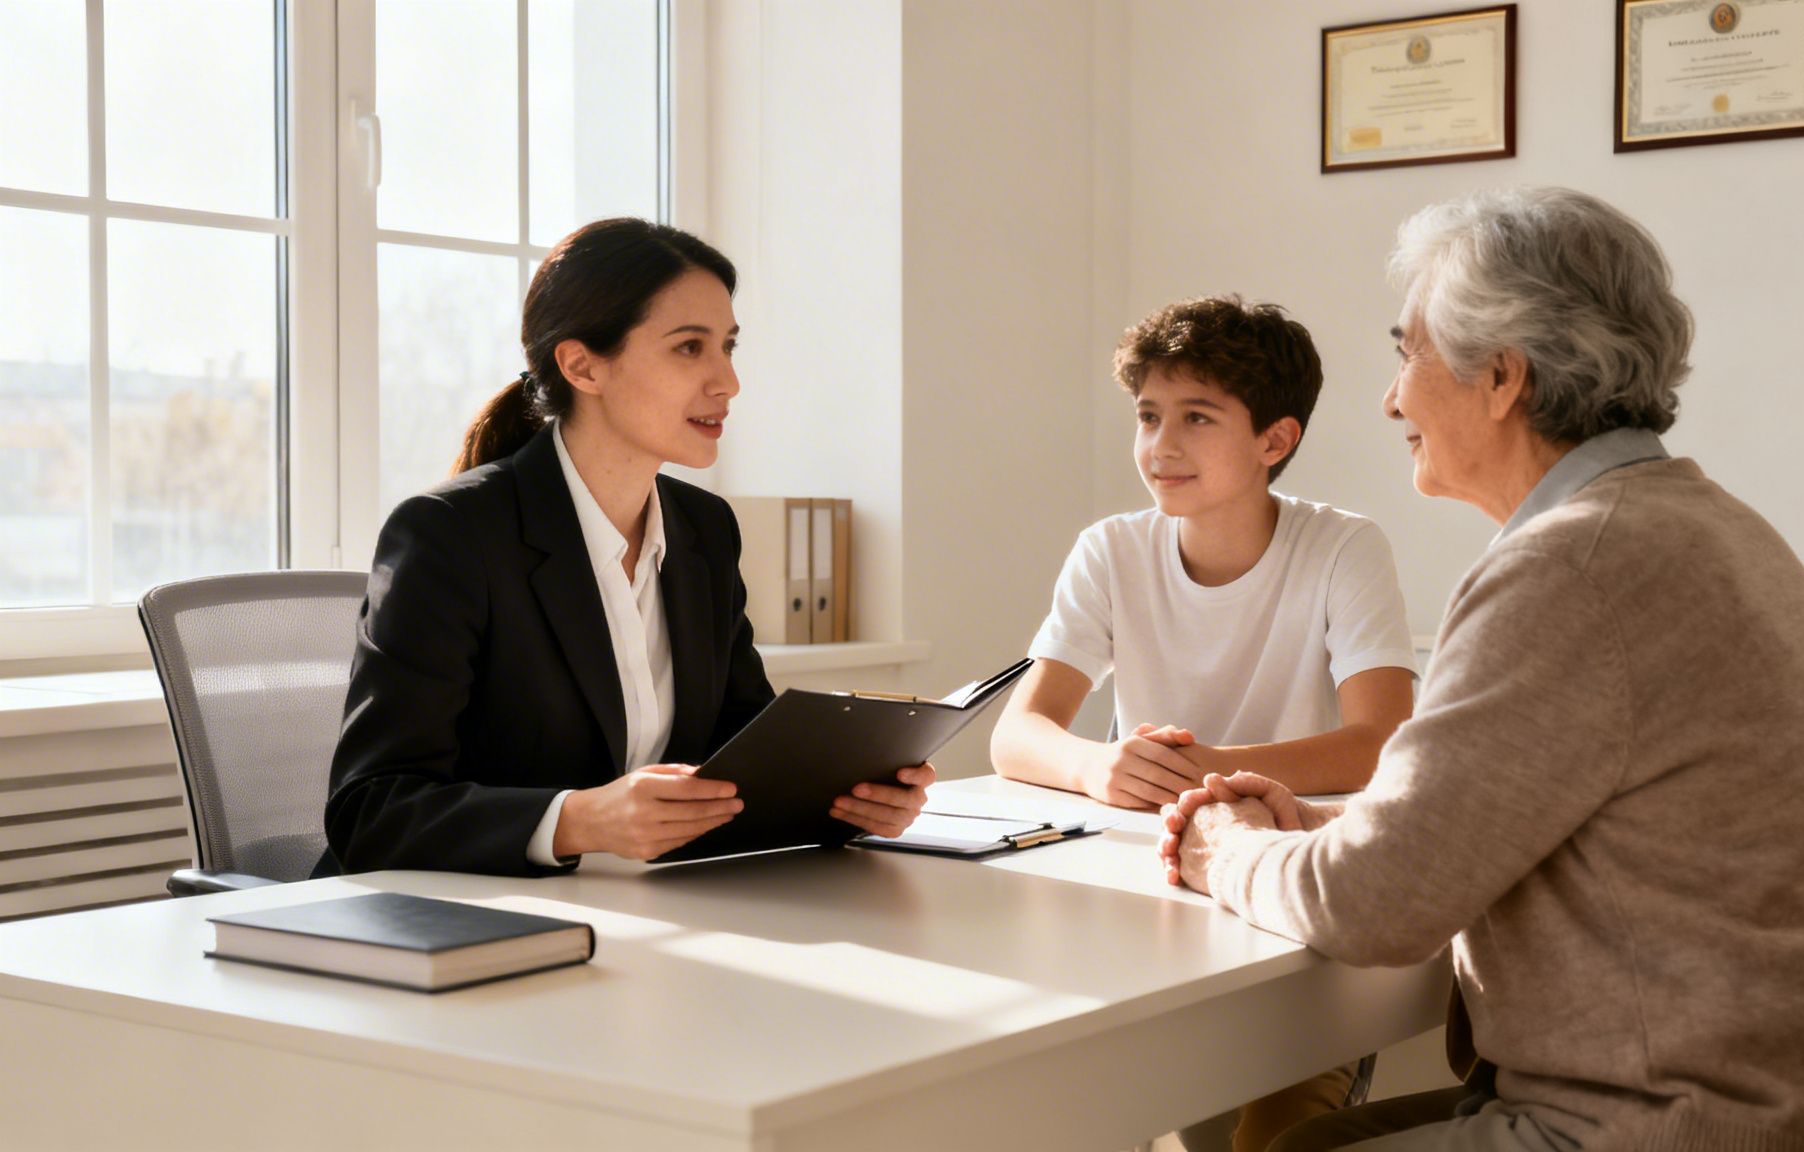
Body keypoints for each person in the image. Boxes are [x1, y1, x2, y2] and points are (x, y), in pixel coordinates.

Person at [1161, 186, 1804, 1152]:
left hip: (1693, 1124)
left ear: (1500, 377)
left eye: (1406, 351)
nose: (1391, 394)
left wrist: (1222, 846)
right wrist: (1331, 826)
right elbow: (1564, 822)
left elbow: (1368, 908)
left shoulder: (1567, 566)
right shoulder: (1712, 526)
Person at [324, 218, 932, 876]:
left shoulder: (704, 530)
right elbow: (372, 810)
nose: (728, 381)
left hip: (627, 912)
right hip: (452, 929)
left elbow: (742, 753)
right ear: (583, 365)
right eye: (689, 348)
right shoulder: (449, 535)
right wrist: (580, 820)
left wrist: (846, 802)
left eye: (727, 346)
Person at [990, 295, 1418, 1152]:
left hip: (1291, 893)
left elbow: (1379, 745)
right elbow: (1018, 733)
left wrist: (1210, 769)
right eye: (1148, 415)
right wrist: (1094, 767)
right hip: (1152, 891)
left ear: (1275, 440)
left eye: (1196, 417)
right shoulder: (1111, 549)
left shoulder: (1342, 547)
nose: (1161, 445)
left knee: (1277, 1127)